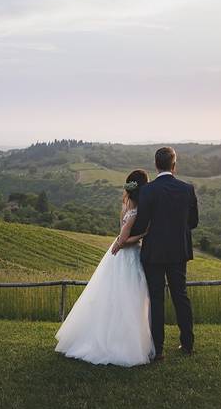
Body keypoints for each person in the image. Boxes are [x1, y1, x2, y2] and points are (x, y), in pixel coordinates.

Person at [54, 169, 156, 366]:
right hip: (127, 257)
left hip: (121, 258)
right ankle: (121, 342)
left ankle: (116, 334)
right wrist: (143, 235)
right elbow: (123, 240)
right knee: (128, 298)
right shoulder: (135, 212)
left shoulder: (126, 205)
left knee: (114, 297)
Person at [114, 146, 198, 359]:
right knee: (181, 296)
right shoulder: (187, 189)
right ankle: (187, 344)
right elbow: (193, 222)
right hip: (179, 251)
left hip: (154, 253)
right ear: (174, 165)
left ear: (156, 164)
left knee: (156, 299)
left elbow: (141, 224)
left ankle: (157, 350)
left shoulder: (147, 191)